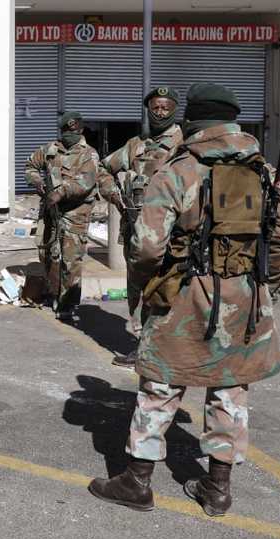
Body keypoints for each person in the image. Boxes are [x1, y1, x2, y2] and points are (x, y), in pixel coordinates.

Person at [88, 83, 280, 517]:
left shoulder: (179, 169)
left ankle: (137, 481)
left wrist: (149, 286)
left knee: (161, 386)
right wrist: (263, 288)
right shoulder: (264, 171)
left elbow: (146, 247)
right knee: (229, 388)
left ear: (194, 121)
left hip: (184, 293)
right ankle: (217, 488)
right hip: (245, 297)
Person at [102, 87, 184, 368]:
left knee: (169, 287)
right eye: (155, 108)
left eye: (165, 107)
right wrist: (116, 195)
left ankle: (166, 346)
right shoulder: (136, 145)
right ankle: (144, 345)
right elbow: (104, 170)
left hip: (171, 233)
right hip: (136, 229)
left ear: (175, 109)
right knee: (137, 288)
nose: (160, 112)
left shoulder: (184, 144)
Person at [24, 111, 118, 321]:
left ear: (81, 129)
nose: (69, 134)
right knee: (46, 251)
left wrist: (61, 191)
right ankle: (52, 291)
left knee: (70, 260)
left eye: (73, 130)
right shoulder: (50, 149)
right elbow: (30, 165)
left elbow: (85, 183)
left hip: (75, 213)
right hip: (49, 210)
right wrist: (37, 182)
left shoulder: (89, 154)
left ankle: (68, 303)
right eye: (65, 130)